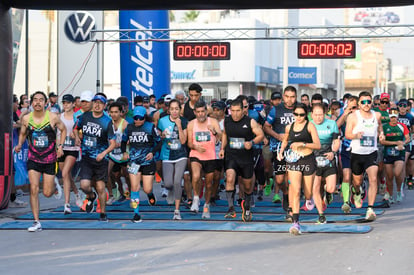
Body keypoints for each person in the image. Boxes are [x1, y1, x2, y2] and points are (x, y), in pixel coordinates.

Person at [14, 91, 67, 232]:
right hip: (33, 158)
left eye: (41, 100)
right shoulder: (26, 119)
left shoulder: (53, 117)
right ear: (32, 103)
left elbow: (63, 130)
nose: (38, 102)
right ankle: (36, 221)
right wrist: (19, 144)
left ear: (45, 103)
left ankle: (54, 187)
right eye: (35, 100)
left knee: (47, 193)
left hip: (50, 159)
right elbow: (23, 133)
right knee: (34, 188)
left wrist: (60, 146)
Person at [278, 103, 320, 235]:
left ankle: (309, 199)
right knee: (295, 190)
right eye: (296, 114)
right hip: (293, 161)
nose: (299, 117)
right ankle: (295, 223)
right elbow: (285, 140)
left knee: (307, 193)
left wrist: (302, 144)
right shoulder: (289, 127)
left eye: (302, 115)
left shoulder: (310, 126)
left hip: (308, 160)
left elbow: (317, 145)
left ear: (306, 115)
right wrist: (281, 151)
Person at [219, 98, 264, 222]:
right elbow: (224, 134)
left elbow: (261, 135)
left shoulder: (250, 122)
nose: (235, 113)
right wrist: (222, 148)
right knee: (230, 177)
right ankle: (231, 208)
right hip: (231, 155)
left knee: (248, 186)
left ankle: (247, 206)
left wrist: (252, 142)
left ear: (243, 110)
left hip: (245, 158)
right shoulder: (226, 121)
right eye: (232, 111)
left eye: (237, 111)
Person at [73, 94, 116, 222]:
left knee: (101, 187)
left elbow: (113, 143)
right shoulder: (85, 116)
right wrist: (76, 137)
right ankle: (91, 196)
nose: (97, 105)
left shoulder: (107, 121)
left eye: (100, 103)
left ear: (104, 106)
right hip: (87, 157)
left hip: (101, 159)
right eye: (95, 102)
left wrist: (103, 153)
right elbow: (76, 128)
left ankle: (103, 213)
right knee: (84, 185)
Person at [345, 91, 384, 221]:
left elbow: (380, 128)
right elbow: (347, 134)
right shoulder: (353, 117)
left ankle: (370, 208)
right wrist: (356, 136)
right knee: (357, 181)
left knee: (373, 179)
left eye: (368, 101)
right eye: (363, 102)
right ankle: (356, 191)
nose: (366, 104)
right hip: (357, 153)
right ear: (359, 104)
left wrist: (381, 134)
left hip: (371, 152)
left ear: (372, 102)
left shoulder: (376, 115)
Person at [122, 106, 161, 222]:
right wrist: (124, 152)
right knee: (134, 187)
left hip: (147, 161)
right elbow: (123, 141)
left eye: (141, 118)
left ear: (145, 118)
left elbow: (159, 142)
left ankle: (150, 194)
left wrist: (152, 153)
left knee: (147, 188)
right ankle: (136, 213)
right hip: (134, 161)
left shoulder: (150, 127)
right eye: (135, 118)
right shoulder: (129, 128)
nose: (138, 121)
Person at [263, 86, 297, 209]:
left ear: (296, 97)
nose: (290, 100)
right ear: (283, 97)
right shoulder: (275, 110)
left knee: (291, 178)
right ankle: (286, 194)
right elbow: (266, 126)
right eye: (287, 97)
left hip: (295, 150)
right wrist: (278, 136)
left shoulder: (300, 109)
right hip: (279, 150)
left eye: (292, 97)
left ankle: (291, 205)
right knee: (279, 180)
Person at [187, 100, 222, 218]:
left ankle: (206, 206)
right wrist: (195, 146)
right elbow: (189, 143)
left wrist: (214, 131)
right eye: (198, 112)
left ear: (206, 111)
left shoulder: (213, 121)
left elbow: (221, 137)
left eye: (203, 111)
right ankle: (196, 198)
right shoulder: (191, 124)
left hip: (210, 156)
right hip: (196, 154)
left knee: (208, 184)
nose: (201, 114)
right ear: (195, 112)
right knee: (196, 176)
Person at [158, 99, 188, 220]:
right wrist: (162, 135)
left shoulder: (184, 121)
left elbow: (183, 141)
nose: (174, 111)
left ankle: (176, 211)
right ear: (168, 110)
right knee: (168, 183)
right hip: (167, 154)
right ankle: (170, 191)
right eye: (172, 109)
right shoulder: (162, 121)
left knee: (177, 181)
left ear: (180, 110)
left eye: (177, 109)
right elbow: (159, 135)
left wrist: (180, 127)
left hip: (181, 154)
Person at [311, 104, 340, 223]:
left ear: (325, 114)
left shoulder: (332, 124)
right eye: (316, 115)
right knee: (315, 188)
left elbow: (336, 141)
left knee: (331, 188)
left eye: (321, 115)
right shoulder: (309, 125)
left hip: (328, 156)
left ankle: (327, 192)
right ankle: (321, 214)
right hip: (313, 157)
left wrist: (333, 152)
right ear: (312, 115)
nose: (318, 117)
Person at [57, 94, 83, 214]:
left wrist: (77, 135)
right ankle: (77, 194)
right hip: (61, 148)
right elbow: (56, 133)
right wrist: (58, 147)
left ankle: (66, 204)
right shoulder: (59, 116)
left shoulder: (78, 117)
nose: (65, 105)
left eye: (68, 103)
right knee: (66, 175)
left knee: (65, 173)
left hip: (73, 148)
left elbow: (83, 132)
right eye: (64, 103)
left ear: (73, 104)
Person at [381, 108, 410, 203]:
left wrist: (402, 143)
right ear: (389, 118)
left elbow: (408, 138)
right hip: (388, 153)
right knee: (389, 176)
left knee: (397, 173)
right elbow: (382, 141)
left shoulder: (402, 126)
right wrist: (395, 142)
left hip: (399, 152)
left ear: (397, 117)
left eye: (395, 117)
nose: (394, 119)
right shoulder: (384, 127)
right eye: (392, 118)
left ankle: (398, 191)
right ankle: (390, 194)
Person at [336, 96, 359, 213]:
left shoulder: (362, 117)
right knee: (346, 176)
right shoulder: (345, 116)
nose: (352, 110)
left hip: (360, 150)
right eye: (350, 107)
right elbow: (336, 126)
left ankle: (357, 191)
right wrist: (345, 113)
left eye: (354, 107)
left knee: (356, 180)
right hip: (346, 149)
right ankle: (346, 202)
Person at [107, 102, 129, 205]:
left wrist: (126, 147)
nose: (114, 114)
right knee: (109, 173)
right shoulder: (107, 123)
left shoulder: (125, 124)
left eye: (116, 112)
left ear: (121, 112)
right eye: (111, 112)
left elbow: (130, 138)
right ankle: (114, 192)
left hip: (123, 153)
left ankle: (131, 193)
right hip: (111, 153)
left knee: (126, 174)